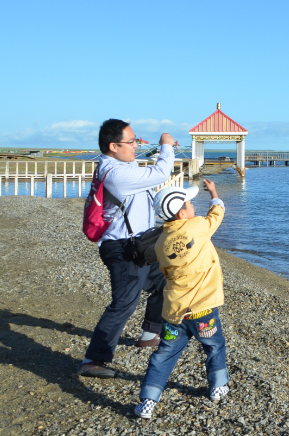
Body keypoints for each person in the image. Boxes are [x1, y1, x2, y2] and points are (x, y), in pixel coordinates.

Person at [77, 119, 176, 379]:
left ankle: (149, 334)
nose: (137, 145)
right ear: (113, 146)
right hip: (122, 248)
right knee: (123, 304)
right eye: (131, 142)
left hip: (141, 243)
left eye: (136, 140)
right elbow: (160, 174)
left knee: (165, 283)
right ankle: (93, 360)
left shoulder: (124, 165)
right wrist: (166, 147)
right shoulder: (116, 174)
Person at [133, 179, 230, 419]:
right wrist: (214, 192)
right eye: (189, 203)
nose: (192, 206)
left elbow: (166, 272)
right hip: (202, 309)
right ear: (181, 211)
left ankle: (148, 400)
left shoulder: (160, 243)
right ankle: (218, 386)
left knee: (164, 353)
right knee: (214, 344)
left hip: (174, 311)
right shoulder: (197, 226)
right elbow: (217, 213)